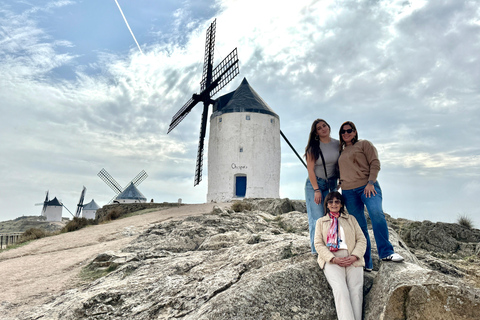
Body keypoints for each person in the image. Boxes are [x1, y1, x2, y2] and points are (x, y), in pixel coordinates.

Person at [338, 121, 404, 271]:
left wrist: (370, 182)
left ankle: (387, 252)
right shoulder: (340, 151)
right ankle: (366, 262)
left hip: (367, 187)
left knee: (376, 214)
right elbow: (340, 171)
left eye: (349, 130)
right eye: (343, 131)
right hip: (348, 191)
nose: (346, 133)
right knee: (359, 227)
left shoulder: (364, 144)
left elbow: (375, 163)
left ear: (355, 132)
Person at [314, 191, 366, 320]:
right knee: (340, 291)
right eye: (331, 202)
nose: (334, 204)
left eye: (337, 201)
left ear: (341, 204)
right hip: (332, 259)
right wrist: (332, 258)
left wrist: (355, 256)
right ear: (327, 204)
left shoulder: (351, 219)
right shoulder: (321, 222)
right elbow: (318, 243)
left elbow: (361, 239)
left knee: (356, 291)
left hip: (352, 257)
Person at [304, 119, 339, 254]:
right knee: (317, 218)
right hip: (315, 184)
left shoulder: (337, 144)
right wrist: (316, 190)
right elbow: (310, 170)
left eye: (324, 125)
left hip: (331, 184)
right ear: (316, 133)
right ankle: (317, 251)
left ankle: (332, 246)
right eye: (319, 128)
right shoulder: (313, 147)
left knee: (333, 216)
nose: (323, 129)